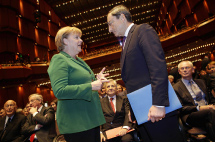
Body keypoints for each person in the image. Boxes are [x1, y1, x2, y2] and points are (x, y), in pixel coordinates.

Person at [107, 5, 183, 142]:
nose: (109, 29)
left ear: (122, 17)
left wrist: (159, 104)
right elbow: (133, 82)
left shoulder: (142, 30)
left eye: (110, 23)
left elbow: (157, 66)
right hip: (143, 111)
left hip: (157, 109)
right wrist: (133, 109)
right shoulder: (126, 41)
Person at [47, 26, 109, 142]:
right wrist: (90, 86)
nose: (81, 40)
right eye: (76, 37)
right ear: (64, 41)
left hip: (90, 118)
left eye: (80, 38)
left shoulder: (79, 60)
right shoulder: (59, 59)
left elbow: (82, 83)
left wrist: (96, 80)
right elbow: (60, 91)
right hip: (76, 122)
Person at [173, 61, 215, 141]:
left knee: (209, 123)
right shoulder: (175, 88)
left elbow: (210, 97)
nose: (185, 70)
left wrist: (213, 105)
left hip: (208, 111)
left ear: (193, 70)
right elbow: (181, 108)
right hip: (190, 114)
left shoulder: (201, 82)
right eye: (182, 68)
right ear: (179, 72)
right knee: (210, 113)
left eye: (187, 67)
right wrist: (200, 108)